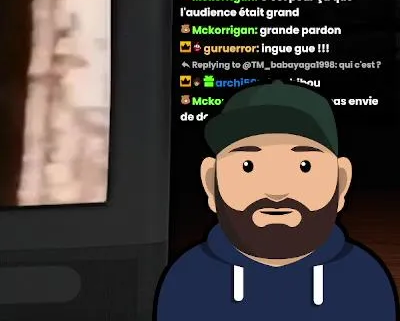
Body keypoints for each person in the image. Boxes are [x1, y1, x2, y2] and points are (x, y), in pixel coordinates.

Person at [155, 81, 397, 320]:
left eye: (304, 166)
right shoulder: (186, 280)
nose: (276, 190)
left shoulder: (365, 280)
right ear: (211, 182)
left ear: (341, 181)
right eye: (248, 166)